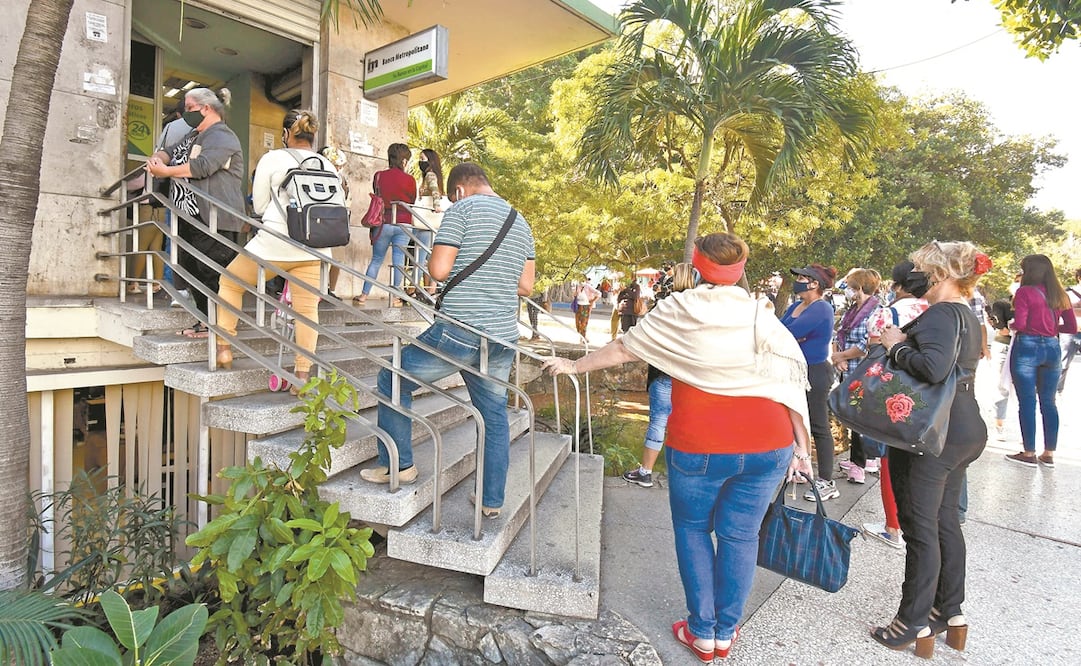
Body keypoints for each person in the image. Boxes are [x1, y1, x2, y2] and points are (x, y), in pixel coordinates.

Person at [543, 232, 813, 662]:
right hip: (770, 442)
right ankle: (726, 633)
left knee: (693, 530)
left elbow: (623, 347)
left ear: (698, 264)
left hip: (701, 441)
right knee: (741, 536)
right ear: (740, 269)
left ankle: (701, 632)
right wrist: (803, 447)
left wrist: (573, 364)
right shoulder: (760, 313)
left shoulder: (680, 310)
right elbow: (790, 381)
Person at [360, 164, 535, 519]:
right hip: (501, 336)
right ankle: (490, 500)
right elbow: (525, 286)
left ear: (458, 191)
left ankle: (399, 465)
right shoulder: (521, 221)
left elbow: (438, 271)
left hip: (460, 328)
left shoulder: (462, 210)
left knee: (392, 378)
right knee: (494, 417)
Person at [873, 240, 990, 658]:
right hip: (962, 428)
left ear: (940, 275)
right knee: (944, 524)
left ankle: (912, 621)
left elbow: (933, 367)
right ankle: (949, 613)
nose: (918, 277)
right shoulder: (967, 315)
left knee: (920, 528)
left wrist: (895, 344)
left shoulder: (941, 313)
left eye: (925, 270)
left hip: (934, 434)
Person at [214, 110, 340, 393]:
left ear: (286, 134)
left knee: (230, 282)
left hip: (274, 244)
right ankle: (302, 376)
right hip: (314, 247)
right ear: (313, 135)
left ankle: (224, 347)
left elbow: (258, 207)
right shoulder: (327, 164)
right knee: (306, 312)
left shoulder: (272, 158)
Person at [146, 87, 246, 334]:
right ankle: (206, 321)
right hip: (188, 216)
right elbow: (169, 152)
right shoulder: (193, 135)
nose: (186, 113)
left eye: (190, 108)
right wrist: (158, 158)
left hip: (213, 218)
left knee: (211, 272)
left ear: (207, 108)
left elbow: (203, 166)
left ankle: (219, 326)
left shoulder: (222, 135)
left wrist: (165, 172)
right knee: (191, 269)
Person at [861, 261, 929, 548]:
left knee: (890, 459)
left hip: (896, 392)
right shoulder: (936, 310)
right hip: (929, 392)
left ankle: (892, 526)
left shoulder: (889, 312)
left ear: (898, 285)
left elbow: (874, 348)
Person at [621, 262, 696, 488]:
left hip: (664, 372)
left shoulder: (665, 306)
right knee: (686, 422)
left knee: (659, 420)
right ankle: (686, 473)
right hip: (690, 375)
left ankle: (646, 471)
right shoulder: (702, 309)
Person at [1004, 254, 1077, 467]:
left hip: (1027, 347)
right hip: (1052, 348)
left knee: (1027, 401)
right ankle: (1049, 453)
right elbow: (1072, 327)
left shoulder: (1024, 292)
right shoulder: (1060, 294)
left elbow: (1022, 323)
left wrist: (1012, 324)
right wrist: (1053, 328)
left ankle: (1028, 453)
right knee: (1049, 401)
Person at [779, 263, 840, 501]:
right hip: (794, 370)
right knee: (792, 422)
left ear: (815, 283)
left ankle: (826, 480)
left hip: (815, 371)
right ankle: (797, 467)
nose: (798, 281)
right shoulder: (796, 305)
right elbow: (781, 329)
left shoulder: (822, 308)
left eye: (803, 277)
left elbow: (788, 332)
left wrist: (794, 335)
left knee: (818, 425)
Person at [831, 268, 882, 484]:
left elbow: (866, 345)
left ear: (860, 288)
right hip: (846, 368)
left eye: (851, 287)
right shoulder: (852, 309)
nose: (848, 291)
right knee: (852, 415)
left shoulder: (877, 311)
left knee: (860, 417)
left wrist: (840, 356)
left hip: (863, 370)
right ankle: (860, 459)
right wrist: (838, 357)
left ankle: (859, 464)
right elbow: (838, 333)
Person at [354, 142, 416, 306]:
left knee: (376, 259)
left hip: (383, 222)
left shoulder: (379, 175)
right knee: (398, 260)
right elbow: (412, 200)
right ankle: (395, 297)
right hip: (403, 223)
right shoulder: (410, 180)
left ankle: (363, 295)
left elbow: (377, 192)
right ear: (404, 161)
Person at [320, 145, 350, 300]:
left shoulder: (341, 178)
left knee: (337, 259)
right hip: (321, 220)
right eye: (336, 164)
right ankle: (320, 289)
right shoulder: (318, 174)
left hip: (337, 221)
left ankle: (330, 289)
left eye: (340, 165)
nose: (339, 168)